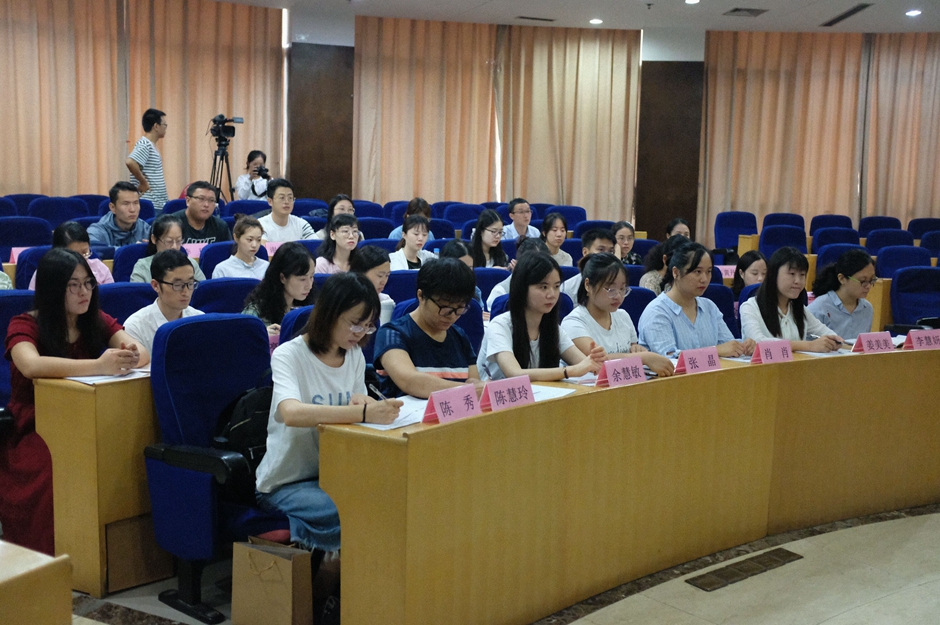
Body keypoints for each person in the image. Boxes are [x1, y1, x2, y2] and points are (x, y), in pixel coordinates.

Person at [3, 248, 148, 554]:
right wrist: (99, 365)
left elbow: (142, 352)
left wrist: (131, 355)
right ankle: (50, 557)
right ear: (53, 289)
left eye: (88, 283)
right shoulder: (25, 323)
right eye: (73, 285)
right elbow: (31, 365)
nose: (84, 292)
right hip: (37, 424)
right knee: (54, 472)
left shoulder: (94, 319)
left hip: (88, 416)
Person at [254, 272, 402, 559]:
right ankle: (330, 575)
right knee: (356, 510)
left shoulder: (353, 355)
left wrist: (363, 402)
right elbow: (291, 413)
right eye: (355, 323)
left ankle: (343, 572)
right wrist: (362, 411)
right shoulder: (289, 355)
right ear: (329, 314)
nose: (360, 333)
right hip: (285, 483)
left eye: (368, 326)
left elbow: (356, 408)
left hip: (335, 474)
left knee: (392, 497)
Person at [477, 252, 606, 382]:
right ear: (522, 288)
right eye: (544, 287)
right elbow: (514, 373)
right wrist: (569, 371)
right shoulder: (500, 325)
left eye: (556, 286)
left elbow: (582, 364)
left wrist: (594, 362)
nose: (552, 294)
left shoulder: (552, 328)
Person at [374, 258, 483, 398]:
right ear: (421, 296)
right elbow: (410, 381)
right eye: (445, 308)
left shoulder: (459, 336)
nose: (452, 316)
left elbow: (474, 383)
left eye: (460, 308)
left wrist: (474, 388)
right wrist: (468, 389)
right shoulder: (392, 334)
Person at [562, 253, 674, 377]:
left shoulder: (623, 316)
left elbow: (633, 349)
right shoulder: (573, 322)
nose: (618, 296)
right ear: (588, 285)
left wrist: (638, 350)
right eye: (610, 289)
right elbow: (597, 362)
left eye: (622, 289)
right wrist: (644, 357)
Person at [638, 241, 755, 357]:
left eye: (709, 272)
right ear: (676, 272)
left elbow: (727, 345)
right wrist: (715, 351)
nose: (704, 279)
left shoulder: (709, 307)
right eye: (697, 272)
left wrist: (744, 347)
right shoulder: (657, 311)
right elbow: (670, 357)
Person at [740, 247, 843, 351]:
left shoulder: (799, 309)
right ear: (773, 275)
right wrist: (809, 346)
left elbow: (827, 333)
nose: (798, 281)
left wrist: (835, 341)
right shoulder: (750, 307)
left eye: (802, 275)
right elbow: (758, 342)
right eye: (792, 274)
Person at [124, 249, 204, 353]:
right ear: (156, 285)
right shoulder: (135, 327)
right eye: (177, 285)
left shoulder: (200, 320)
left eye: (190, 283)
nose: (186, 292)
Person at [243, 242, 316, 336]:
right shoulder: (255, 312)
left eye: (311, 276)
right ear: (283, 278)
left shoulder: (311, 308)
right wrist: (262, 335)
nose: (309, 285)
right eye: (302, 279)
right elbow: (244, 340)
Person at [807, 248, 876, 340]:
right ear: (842, 279)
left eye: (871, 280)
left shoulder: (867, 308)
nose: (868, 286)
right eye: (863, 281)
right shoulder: (819, 308)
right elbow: (807, 344)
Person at [29, 221, 114, 290]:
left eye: (85, 252)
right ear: (58, 253)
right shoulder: (44, 273)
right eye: (74, 255)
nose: (81, 259)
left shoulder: (100, 268)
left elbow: (110, 300)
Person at [131, 214, 206, 283]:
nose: (174, 247)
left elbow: (203, 290)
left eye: (178, 241)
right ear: (154, 239)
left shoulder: (191, 264)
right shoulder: (143, 267)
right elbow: (138, 292)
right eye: (169, 241)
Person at [486, 237, 551, 311]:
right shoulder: (500, 292)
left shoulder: (552, 289)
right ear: (518, 264)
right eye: (534, 268)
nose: (539, 273)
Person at [125, 108, 168, 212]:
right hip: (150, 202)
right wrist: (143, 182)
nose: (166, 128)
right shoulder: (145, 144)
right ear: (156, 126)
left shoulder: (151, 145)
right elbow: (130, 162)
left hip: (158, 202)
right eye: (165, 125)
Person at [87, 181, 151, 246]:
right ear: (113, 207)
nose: (132, 209)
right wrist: (134, 249)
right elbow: (94, 248)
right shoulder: (97, 231)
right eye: (126, 204)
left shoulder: (146, 229)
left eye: (135, 203)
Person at [561, 228, 616, 302]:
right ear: (585, 252)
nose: (607, 255)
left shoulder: (618, 286)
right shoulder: (567, 289)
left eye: (611, 251)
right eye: (601, 249)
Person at [349, 245, 395, 325]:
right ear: (361, 273)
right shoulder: (345, 301)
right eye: (380, 275)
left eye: (387, 275)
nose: (384, 281)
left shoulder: (385, 301)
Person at [213, 215, 270, 279]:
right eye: (249, 240)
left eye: (258, 240)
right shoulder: (222, 270)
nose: (254, 245)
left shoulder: (267, 267)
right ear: (236, 238)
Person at [438, 239, 484, 311]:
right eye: (461, 268)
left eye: (469, 268)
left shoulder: (476, 291)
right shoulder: (434, 292)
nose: (465, 272)